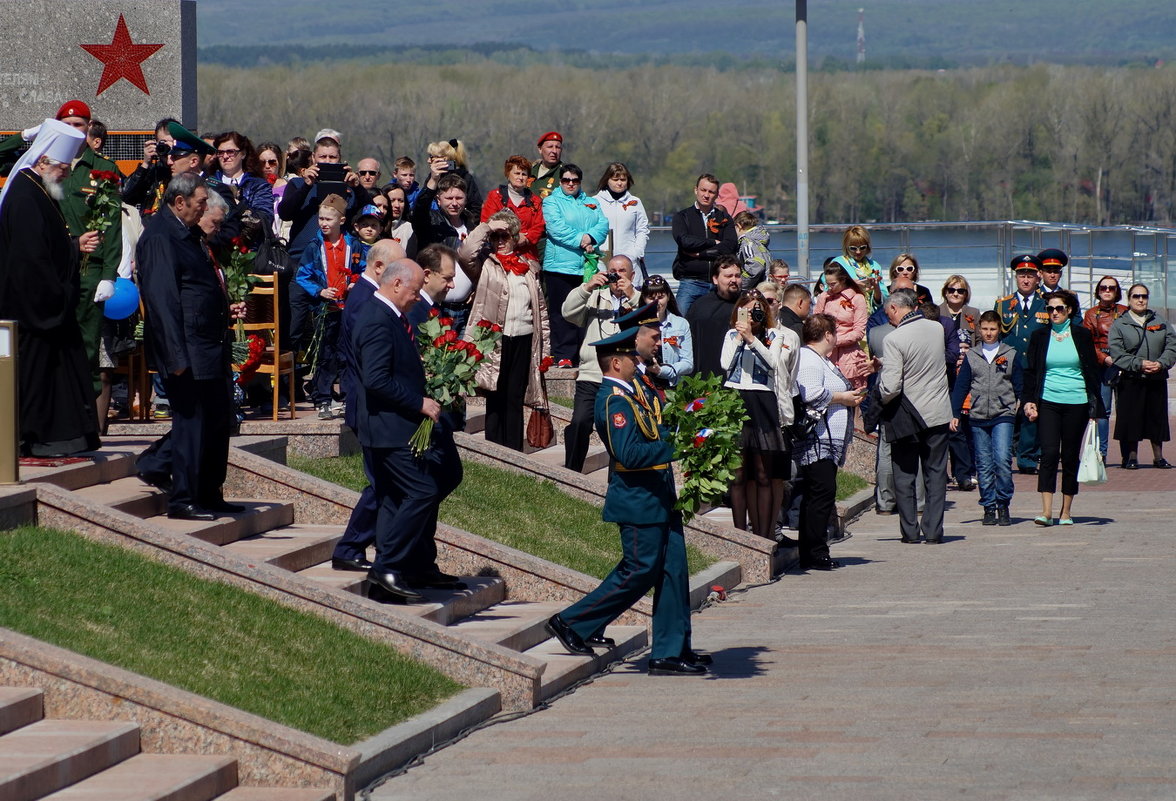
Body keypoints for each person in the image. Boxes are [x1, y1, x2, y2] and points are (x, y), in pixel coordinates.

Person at [544, 326, 706, 676]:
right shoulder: (613, 401)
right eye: (631, 357)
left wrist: (688, 428)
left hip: (659, 496)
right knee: (639, 570)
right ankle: (571, 621)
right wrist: (680, 447)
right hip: (638, 500)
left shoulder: (632, 394)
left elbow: (652, 433)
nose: (637, 360)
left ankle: (672, 649)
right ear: (616, 363)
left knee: (673, 572)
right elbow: (629, 454)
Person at [351, 257, 464, 602]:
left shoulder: (391, 316)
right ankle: (387, 566)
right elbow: (376, 379)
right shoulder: (376, 320)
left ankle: (407, 567)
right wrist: (420, 403)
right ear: (397, 283)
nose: (418, 297)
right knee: (421, 491)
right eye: (415, 290)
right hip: (389, 428)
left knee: (397, 496)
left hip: (398, 425)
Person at [135, 173, 244, 520]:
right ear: (179, 202)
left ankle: (209, 493)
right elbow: (162, 301)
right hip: (187, 350)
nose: (202, 210)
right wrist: (175, 356)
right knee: (191, 425)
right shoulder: (160, 237)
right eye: (199, 203)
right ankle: (183, 499)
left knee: (215, 422)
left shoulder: (188, 233)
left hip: (209, 346)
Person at [0, 119, 101, 457]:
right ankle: (35, 439)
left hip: (51, 304)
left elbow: (50, 245)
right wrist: (56, 295)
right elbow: (29, 260)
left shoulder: (40, 190)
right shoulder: (25, 195)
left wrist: (71, 247)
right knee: (37, 381)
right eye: (60, 167)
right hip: (35, 308)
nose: (65, 174)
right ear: (42, 161)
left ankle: (60, 440)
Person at [331, 239, 407, 573]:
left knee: (385, 482)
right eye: (396, 268)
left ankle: (371, 544)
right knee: (381, 482)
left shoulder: (367, 296)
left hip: (373, 403)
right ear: (379, 268)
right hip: (369, 405)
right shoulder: (365, 301)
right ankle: (350, 547)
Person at [459, 210, 550, 451]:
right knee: (495, 395)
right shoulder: (486, 265)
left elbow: (540, 311)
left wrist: (545, 350)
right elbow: (465, 253)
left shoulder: (529, 268)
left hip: (524, 337)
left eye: (505, 236)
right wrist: (487, 227)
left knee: (515, 397)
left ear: (514, 237)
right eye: (495, 237)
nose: (500, 242)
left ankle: (514, 451)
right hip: (494, 340)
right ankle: (494, 449)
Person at [1022, 291, 1103, 526]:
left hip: (1076, 402)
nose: (1054, 313)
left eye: (1059, 308)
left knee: (1069, 457)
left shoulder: (1081, 334)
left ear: (1069, 310)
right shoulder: (1039, 336)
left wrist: (1095, 408)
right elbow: (1030, 371)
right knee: (1048, 454)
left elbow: (1092, 371)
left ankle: (1066, 511)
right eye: (1050, 309)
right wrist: (1029, 400)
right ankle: (1046, 512)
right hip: (1048, 401)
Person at [878, 288, 952, 544]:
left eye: (888, 312)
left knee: (905, 476)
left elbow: (890, 387)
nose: (888, 318)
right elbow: (923, 360)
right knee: (936, 474)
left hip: (907, 417)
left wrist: (878, 393)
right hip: (938, 413)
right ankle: (933, 531)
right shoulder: (937, 329)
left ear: (897, 308)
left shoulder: (894, 339)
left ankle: (910, 532)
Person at [794, 314, 864, 569]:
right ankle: (815, 553)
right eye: (835, 333)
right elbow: (811, 394)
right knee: (820, 496)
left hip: (826, 442)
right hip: (817, 440)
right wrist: (843, 398)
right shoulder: (810, 359)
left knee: (818, 496)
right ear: (827, 335)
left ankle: (812, 551)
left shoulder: (820, 359)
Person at [561, 255, 640, 471]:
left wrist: (631, 294)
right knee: (579, 423)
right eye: (612, 271)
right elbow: (567, 313)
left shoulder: (638, 298)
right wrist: (587, 287)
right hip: (591, 374)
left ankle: (617, 477)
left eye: (622, 271)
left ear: (632, 275)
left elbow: (653, 319)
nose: (617, 276)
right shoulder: (595, 296)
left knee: (619, 429)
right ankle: (571, 471)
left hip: (624, 380)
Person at [720, 289, 786, 538]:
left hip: (761, 400)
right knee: (737, 474)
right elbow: (725, 364)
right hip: (735, 398)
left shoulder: (774, 335)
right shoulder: (730, 335)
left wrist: (752, 339)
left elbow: (773, 363)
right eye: (746, 310)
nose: (752, 316)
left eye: (757, 310)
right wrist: (740, 336)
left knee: (762, 473)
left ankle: (764, 535)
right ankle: (740, 535)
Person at [294, 194, 364, 419]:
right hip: (324, 309)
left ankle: (346, 396)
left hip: (347, 308)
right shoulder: (314, 246)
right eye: (321, 219)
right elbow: (302, 275)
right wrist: (320, 291)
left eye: (328, 220)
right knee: (325, 354)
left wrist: (354, 282)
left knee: (346, 353)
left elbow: (362, 269)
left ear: (341, 221)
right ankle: (322, 396)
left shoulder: (353, 244)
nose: (324, 223)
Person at [951, 311, 1023, 526]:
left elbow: (1019, 382)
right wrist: (954, 413)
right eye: (985, 329)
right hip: (978, 414)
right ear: (978, 330)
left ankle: (1003, 503)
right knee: (983, 463)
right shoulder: (972, 355)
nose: (989, 333)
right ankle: (989, 506)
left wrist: (1024, 403)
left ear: (999, 329)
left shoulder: (1010, 353)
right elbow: (962, 386)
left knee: (1001, 459)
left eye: (992, 329)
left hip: (1003, 413)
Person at [542, 163, 609, 366]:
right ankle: (563, 355)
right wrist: (582, 239)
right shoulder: (551, 202)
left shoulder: (591, 202)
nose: (571, 184)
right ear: (560, 181)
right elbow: (556, 228)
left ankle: (584, 354)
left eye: (575, 180)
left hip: (586, 267)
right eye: (566, 180)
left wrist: (591, 237)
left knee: (585, 311)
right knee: (561, 312)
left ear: (580, 182)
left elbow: (603, 224)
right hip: (559, 267)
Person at [1107, 283, 1176, 470]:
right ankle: (1131, 457)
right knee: (1131, 418)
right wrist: (1139, 364)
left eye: (1144, 296)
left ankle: (1158, 457)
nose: (1140, 300)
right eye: (1136, 296)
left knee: (1157, 418)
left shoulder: (1159, 321)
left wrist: (1161, 363)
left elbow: (1172, 346)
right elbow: (1117, 352)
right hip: (1131, 378)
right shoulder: (1120, 324)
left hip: (1156, 377)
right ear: (1129, 300)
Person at [995, 254, 1049, 474]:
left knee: (1031, 414)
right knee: (1006, 411)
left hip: (1036, 366)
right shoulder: (1004, 304)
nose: (1025, 280)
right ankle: (1004, 455)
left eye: (1029, 276)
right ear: (1016, 278)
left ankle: (1027, 458)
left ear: (1038, 278)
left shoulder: (1046, 303)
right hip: (1010, 366)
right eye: (1021, 276)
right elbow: (996, 335)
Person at [411, 172, 479, 332]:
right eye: (449, 198)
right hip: (436, 309)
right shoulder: (430, 223)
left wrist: (477, 288)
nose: (454, 203)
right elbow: (419, 209)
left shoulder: (472, 226)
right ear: (438, 200)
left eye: (459, 198)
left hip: (466, 310)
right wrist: (433, 180)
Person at [671, 173, 737, 314]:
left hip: (719, 283)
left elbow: (730, 246)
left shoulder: (724, 218)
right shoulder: (682, 217)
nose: (706, 195)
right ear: (696, 190)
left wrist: (700, 253)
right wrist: (712, 241)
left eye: (711, 192)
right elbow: (685, 241)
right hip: (691, 282)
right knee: (681, 321)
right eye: (703, 190)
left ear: (717, 195)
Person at [939, 274, 981, 492]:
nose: (956, 294)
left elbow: (981, 341)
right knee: (944, 424)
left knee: (964, 424)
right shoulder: (937, 313)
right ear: (945, 292)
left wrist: (972, 354)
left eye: (961, 291)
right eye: (952, 290)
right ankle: (943, 473)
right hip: (943, 374)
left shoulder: (973, 314)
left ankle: (964, 471)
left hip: (967, 373)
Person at [1084, 276, 1127, 462]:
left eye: (1111, 287)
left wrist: (1124, 359)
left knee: (1126, 410)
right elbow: (1087, 342)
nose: (1107, 290)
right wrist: (1104, 358)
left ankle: (1128, 455)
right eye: (1103, 288)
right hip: (1102, 365)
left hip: (1125, 364)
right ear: (1098, 291)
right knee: (1103, 410)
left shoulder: (1126, 312)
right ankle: (1101, 453)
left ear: (1117, 291)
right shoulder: (1091, 314)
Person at [813, 262, 871, 390]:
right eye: (828, 284)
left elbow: (859, 332)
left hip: (849, 357)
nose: (830, 288)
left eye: (833, 284)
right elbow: (815, 323)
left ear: (843, 280)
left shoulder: (857, 298)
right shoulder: (824, 297)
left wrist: (836, 341)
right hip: (827, 354)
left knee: (855, 399)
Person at [685, 255, 743, 379]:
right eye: (728, 276)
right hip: (709, 375)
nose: (734, 280)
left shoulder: (747, 304)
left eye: (737, 276)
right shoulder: (701, 307)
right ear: (715, 279)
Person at [480, 155, 545, 262]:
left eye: (524, 174)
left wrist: (525, 238)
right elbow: (486, 222)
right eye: (517, 173)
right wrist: (511, 237)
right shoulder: (495, 197)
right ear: (508, 174)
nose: (520, 177)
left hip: (527, 256)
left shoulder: (535, 201)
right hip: (499, 255)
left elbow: (539, 226)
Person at [593, 162, 650, 280]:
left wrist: (636, 253)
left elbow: (642, 229)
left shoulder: (635, 202)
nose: (619, 183)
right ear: (607, 180)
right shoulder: (595, 201)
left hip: (629, 261)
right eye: (615, 179)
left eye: (623, 180)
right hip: (602, 262)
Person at [212, 131, 275, 233]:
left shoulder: (258, 185)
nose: (225, 156)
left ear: (243, 154)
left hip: (250, 246)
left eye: (230, 152)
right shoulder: (209, 183)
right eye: (220, 152)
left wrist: (238, 206)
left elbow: (265, 220)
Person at [638, 274, 692, 388]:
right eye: (651, 298)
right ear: (644, 298)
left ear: (668, 296)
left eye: (661, 297)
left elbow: (688, 363)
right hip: (644, 385)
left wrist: (662, 371)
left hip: (672, 385)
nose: (657, 302)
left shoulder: (681, 324)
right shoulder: (636, 324)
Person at [826, 225, 885, 312]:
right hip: (844, 312)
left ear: (867, 247)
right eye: (853, 248)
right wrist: (852, 285)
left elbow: (882, 301)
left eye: (862, 248)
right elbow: (828, 291)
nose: (858, 252)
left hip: (870, 315)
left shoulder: (875, 266)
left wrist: (876, 288)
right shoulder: (837, 264)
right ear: (846, 246)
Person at [425, 139, 482, 217]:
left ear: (444, 159)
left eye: (431, 157)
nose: (428, 161)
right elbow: (423, 204)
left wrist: (466, 224)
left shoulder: (465, 177)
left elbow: (475, 206)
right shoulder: (432, 178)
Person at [1037, 248, 1085, 312]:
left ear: (1061, 273)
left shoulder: (1070, 296)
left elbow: (1076, 321)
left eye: (1056, 271)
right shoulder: (1034, 295)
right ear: (1041, 273)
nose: (1052, 275)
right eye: (1049, 272)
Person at [734, 211, 771, 290]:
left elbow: (756, 266)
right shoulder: (758, 240)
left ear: (739, 226)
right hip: (765, 285)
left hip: (758, 288)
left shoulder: (747, 242)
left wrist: (742, 285)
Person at [381, 182, 416, 256]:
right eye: (392, 200)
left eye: (401, 201)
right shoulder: (373, 227)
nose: (397, 205)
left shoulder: (409, 228)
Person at [529, 131, 563, 200]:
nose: (554, 151)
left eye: (558, 147)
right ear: (540, 149)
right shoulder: (530, 171)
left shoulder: (565, 173)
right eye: (550, 147)